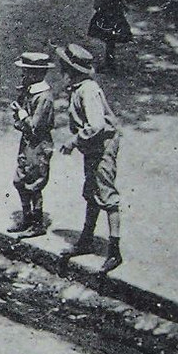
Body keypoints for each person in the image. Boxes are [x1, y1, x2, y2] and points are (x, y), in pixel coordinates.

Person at [55, 43, 124, 273]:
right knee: (91, 190)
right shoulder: (78, 88)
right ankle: (86, 239)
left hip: (103, 145)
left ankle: (115, 251)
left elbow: (97, 124)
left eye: (62, 68)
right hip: (92, 146)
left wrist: (74, 140)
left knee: (106, 194)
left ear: (70, 71)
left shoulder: (88, 90)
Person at [8, 52, 56, 238]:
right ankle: (27, 218)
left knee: (33, 182)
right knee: (20, 179)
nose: (23, 76)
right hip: (28, 142)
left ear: (36, 74)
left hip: (38, 144)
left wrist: (21, 113)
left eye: (26, 72)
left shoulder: (43, 97)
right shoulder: (30, 92)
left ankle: (37, 223)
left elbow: (35, 125)